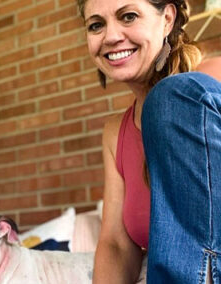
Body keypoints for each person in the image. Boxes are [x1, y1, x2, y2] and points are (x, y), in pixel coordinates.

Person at [76, 0, 221, 283]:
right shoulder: (115, 133)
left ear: (167, 18)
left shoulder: (213, 79)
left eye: (128, 16)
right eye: (96, 25)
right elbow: (117, 246)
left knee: (170, 97)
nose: (111, 36)